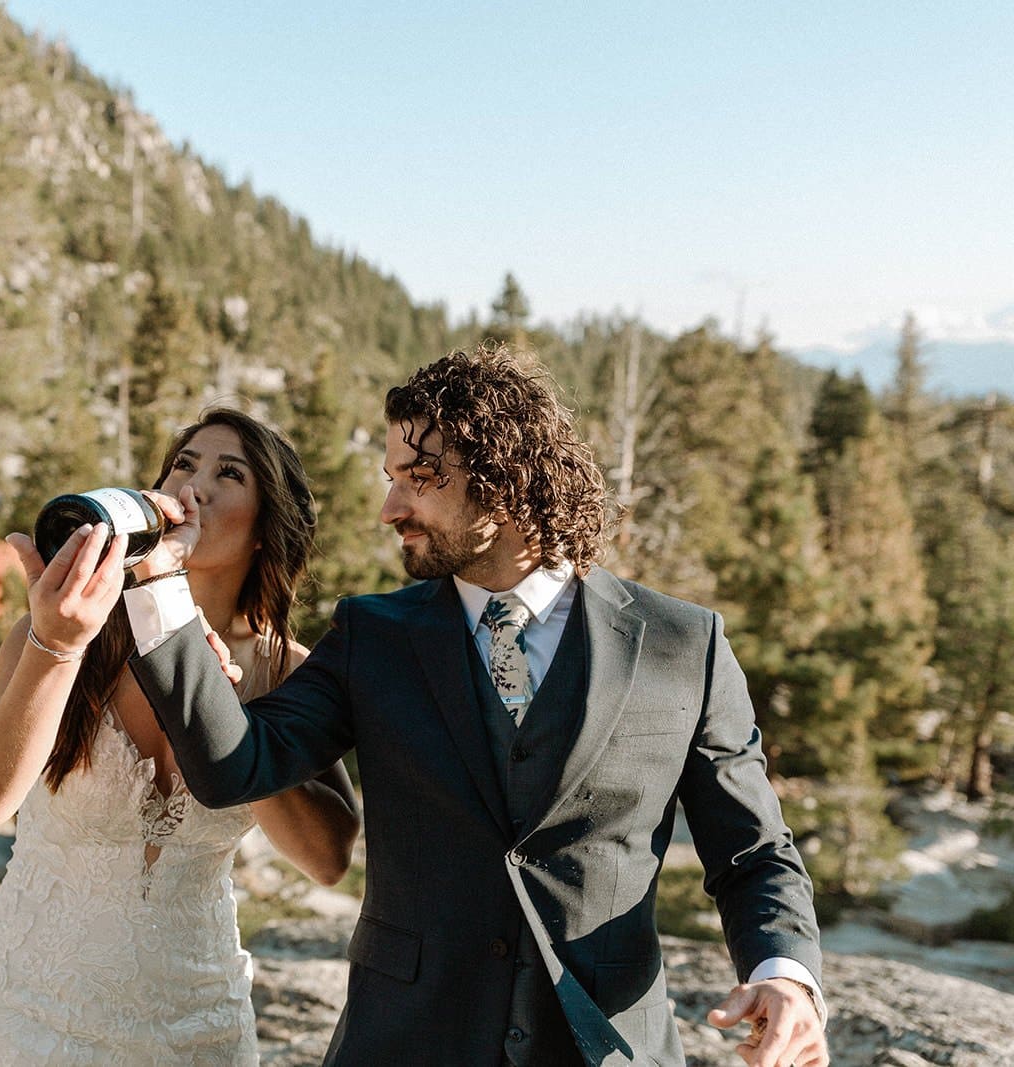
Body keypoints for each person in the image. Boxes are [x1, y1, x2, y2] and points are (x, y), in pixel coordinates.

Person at [104, 345, 828, 1066]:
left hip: (602, 1048)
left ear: (507, 477)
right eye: (393, 479)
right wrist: (157, 590)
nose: (392, 509)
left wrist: (786, 975)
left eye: (421, 479)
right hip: (401, 1043)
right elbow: (238, 766)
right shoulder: (372, 635)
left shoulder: (682, 642)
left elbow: (753, 851)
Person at [0, 407, 361, 1066]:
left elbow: (328, 857)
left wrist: (229, 715)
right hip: (33, 1010)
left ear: (264, 528)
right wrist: (53, 645)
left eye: (228, 473)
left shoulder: (286, 669)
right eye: (184, 464)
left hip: (199, 1019)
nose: (193, 486)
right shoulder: (77, 627)